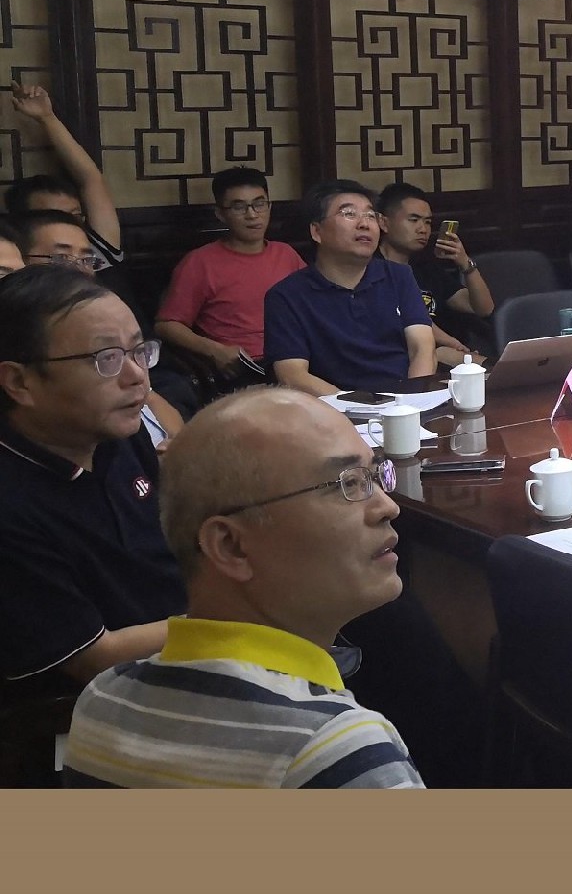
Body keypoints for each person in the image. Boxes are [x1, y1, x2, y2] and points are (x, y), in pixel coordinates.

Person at [63, 387, 424, 788]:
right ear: (231, 546)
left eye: (375, 474)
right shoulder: (338, 750)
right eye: (347, 484)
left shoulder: (102, 701)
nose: (387, 506)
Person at [0, 267, 183, 703]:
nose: (137, 377)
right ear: (20, 382)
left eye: (139, 351)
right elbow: (92, 658)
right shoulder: (11, 503)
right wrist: (240, 620)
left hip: (190, 646)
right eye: (106, 359)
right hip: (96, 705)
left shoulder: (117, 433)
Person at [263, 180, 435, 395]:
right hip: (331, 407)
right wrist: (356, 406)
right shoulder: (286, 296)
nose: (365, 224)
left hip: (405, 402)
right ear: (317, 231)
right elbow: (292, 375)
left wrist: (413, 399)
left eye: (370, 215)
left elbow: (422, 348)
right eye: (349, 214)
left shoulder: (399, 276)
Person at [153, 167, 304, 379]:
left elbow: (314, 303)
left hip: (296, 358)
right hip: (246, 367)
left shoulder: (286, 254)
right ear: (220, 214)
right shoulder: (200, 262)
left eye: (259, 204)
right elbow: (166, 326)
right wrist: (215, 350)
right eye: (239, 207)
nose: (252, 215)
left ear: (269, 206)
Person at [4, 82, 124, 271]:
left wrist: (47, 118)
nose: (71, 224)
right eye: (56, 216)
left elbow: (90, 178)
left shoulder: (95, 254)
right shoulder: (15, 271)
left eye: (75, 215)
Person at [375, 181, 495, 364]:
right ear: (384, 223)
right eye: (413, 220)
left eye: (428, 222)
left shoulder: (426, 268)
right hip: (403, 355)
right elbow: (406, 316)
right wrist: (451, 343)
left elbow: (483, 308)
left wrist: (465, 264)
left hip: (450, 352)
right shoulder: (371, 268)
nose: (423, 229)